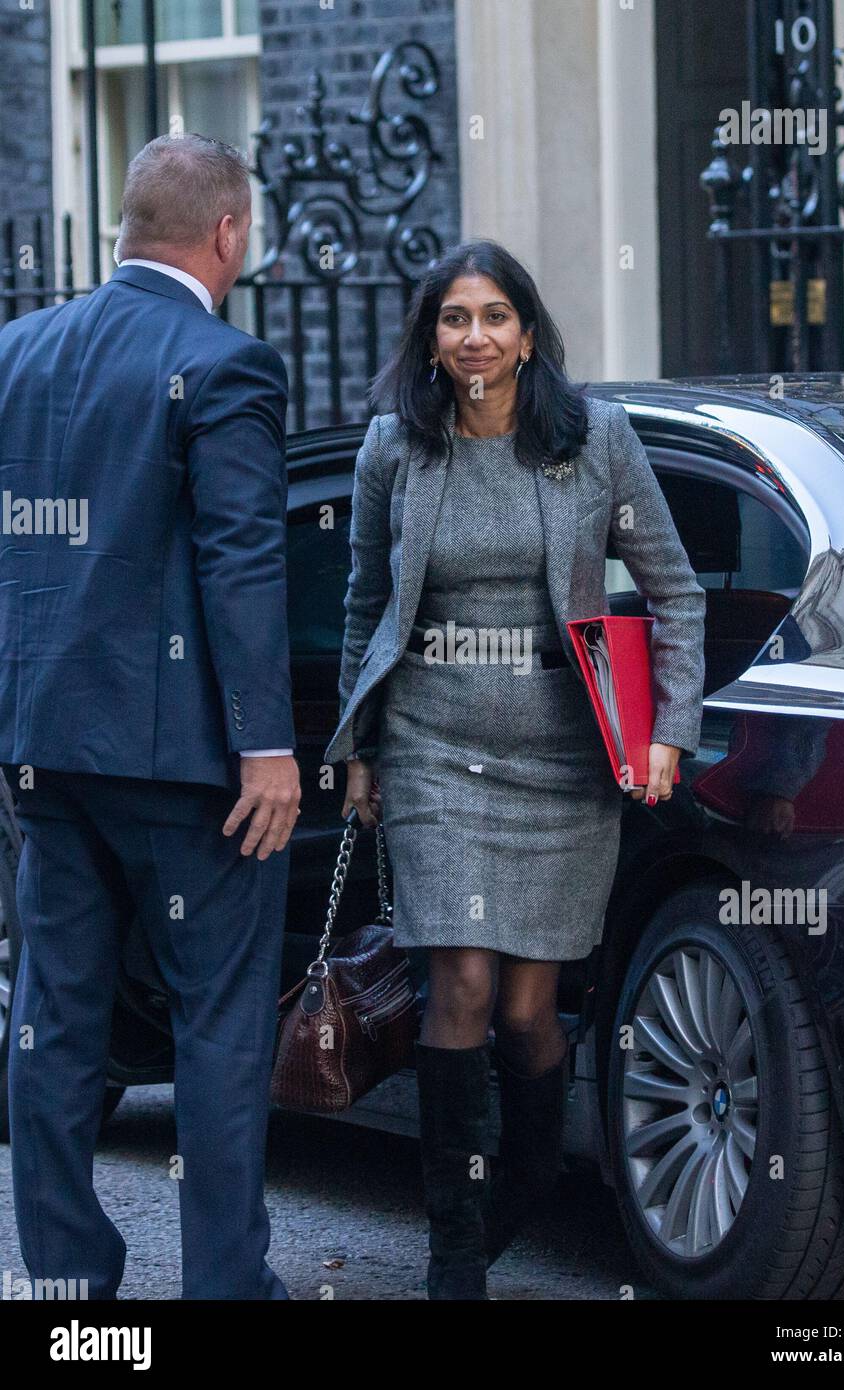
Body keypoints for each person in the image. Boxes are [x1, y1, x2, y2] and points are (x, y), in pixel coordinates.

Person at [324, 239, 706, 1299]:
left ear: (527, 335)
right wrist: (358, 748)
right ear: (431, 339)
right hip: (433, 744)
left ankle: (528, 1175)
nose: (474, 335)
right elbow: (364, 606)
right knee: (462, 982)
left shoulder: (595, 443)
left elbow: (674, 594)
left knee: (530, 1012)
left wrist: (665, 728)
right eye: (454, 318)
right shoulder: (391, 452)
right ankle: (453, 1251)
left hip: (560, 751)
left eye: (494, 315)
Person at [0, 133, 300, 1300]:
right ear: (226, 234)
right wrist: (267, 746)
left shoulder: (18, 352)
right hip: (186, 770)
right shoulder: (227, 365)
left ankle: (69, 1285)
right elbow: (242, 563)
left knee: (55, 1016)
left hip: (46, 751)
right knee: (219, 1028)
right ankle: (224, 1289)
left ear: (129, 223)